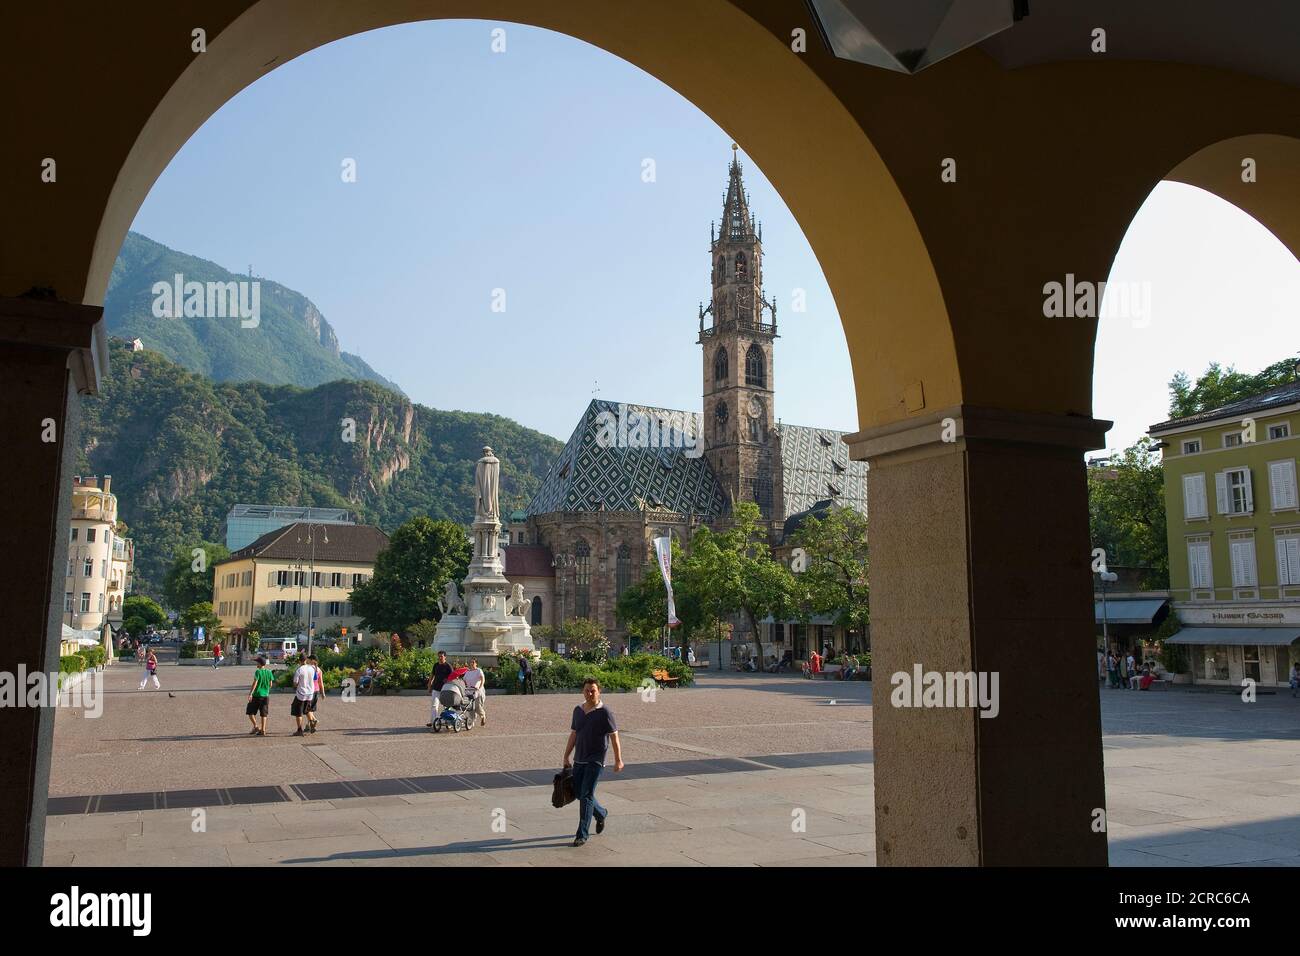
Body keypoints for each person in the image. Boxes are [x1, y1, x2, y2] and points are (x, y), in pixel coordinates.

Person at [562, 678, 624, 847]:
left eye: (593, 691)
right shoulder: (578, 710)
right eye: (587, 690)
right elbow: (574, 734)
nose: (589, 693)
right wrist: (566, 755)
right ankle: (601, 813)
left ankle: (582, 834)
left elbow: (614, 736)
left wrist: (618, 760)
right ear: (583, 691)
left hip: (596, 760)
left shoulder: (605, 712)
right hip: (579, 758)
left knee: (587, 795)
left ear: (599, 692)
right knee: (579, 793)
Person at [246, 655, 273, 735]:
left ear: (260, 664)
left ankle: (256, 726)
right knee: (264, 713)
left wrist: (250, 693)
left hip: (257, 695)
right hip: (265, 696)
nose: (256, 663)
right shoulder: (269, 672)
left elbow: (255, 683)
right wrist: (266, 690)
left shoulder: (258, 672)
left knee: (250, 712)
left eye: (257, 662)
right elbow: (271, 684)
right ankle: (263, 730)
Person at [291, 655, 317, 736]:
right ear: (306, 660)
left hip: (301, 694)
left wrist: (296, 685)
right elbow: (314, 679)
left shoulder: (299, 670)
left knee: (298, 712)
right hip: (310, 693)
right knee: (307, 709)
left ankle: (299, 730)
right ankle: (312, 722)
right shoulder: (312, 668)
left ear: (300, 661)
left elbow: (295, 683)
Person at [426, 651, 453, 727]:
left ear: (445, 657)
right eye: (439, 656)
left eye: (441, 656)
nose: (440, 658)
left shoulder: (448, 666)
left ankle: (449, 721)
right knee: (434, 705)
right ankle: (433, 722)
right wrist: (429, 685)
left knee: (447, 706)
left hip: (445, 689)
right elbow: (432, 675)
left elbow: (453, 677)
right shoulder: (436, 665)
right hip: (436, 688)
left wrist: (447, 680)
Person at [463, 658, 487, 727]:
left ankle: (483, 716)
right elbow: (464, 680)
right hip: (469, 691)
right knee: (470, 707)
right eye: (471, 662)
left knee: (477, 706)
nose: (471, 664)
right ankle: (471, 722)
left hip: (478, 692)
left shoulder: (478, 670)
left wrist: (480, 686)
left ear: (476, 663)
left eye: (473, 662)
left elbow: (482, 679)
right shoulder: (468, 672)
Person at [307, 655, 323, 733]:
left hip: (310, 691)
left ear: (312, 660)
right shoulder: (319, 670)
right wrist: (323, 693)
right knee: (311, 709)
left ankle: (314, 720)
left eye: (308, 660)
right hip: (316, 691)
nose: (307, 661)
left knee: (306, 709)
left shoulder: (309, 669)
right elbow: (321, 683)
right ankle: (308, 725)